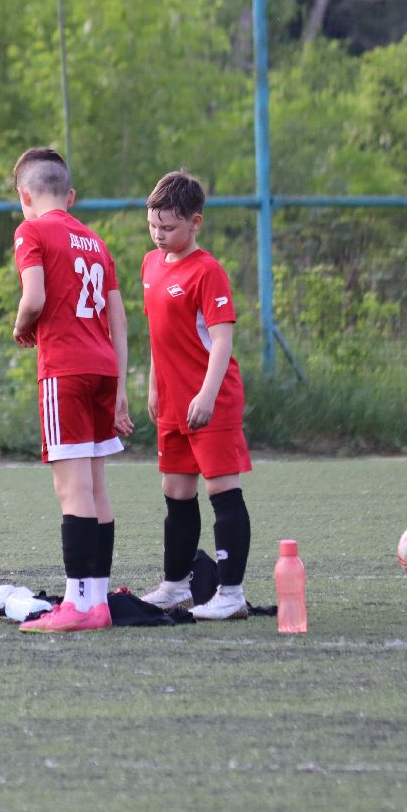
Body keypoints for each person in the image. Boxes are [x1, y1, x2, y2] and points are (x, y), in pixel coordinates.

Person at [6, 149, 134, 633]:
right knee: (97, 488)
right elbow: (118, 318)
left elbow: (34, 297)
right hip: (103, 367)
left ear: (25, 196)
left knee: (72, 489)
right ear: (71, 196)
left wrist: (22, 326)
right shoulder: (95, 241)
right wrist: (121, 385)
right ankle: (96, 602)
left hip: (65, 369)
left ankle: (77, 604)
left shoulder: (31, 230)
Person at [138, 170, 256, 621]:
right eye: (153, 226)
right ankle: (175, 584)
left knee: (221, 489)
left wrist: (207, 395)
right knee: (175, 490)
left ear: (195, 223)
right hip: (171, 400)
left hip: (211, 399)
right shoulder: (151, 265)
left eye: (168, 227)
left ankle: (231, 593)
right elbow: (157, 334)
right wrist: (153, 385)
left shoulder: (208, 271)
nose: (159, 235)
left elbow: (222, 341)